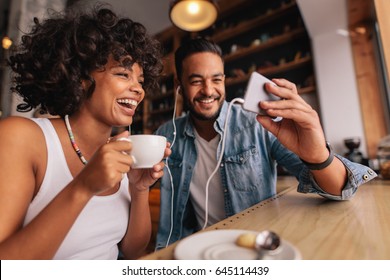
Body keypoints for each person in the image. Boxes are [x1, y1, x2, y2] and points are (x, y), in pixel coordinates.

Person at [154, 37, 377, 249]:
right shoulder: (166, 135)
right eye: (196, 81)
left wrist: (318, 155)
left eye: (216, 79)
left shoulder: (258, 123)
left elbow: (339, 190)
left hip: (254, 247)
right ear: (179, 85)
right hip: (195, 249)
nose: (209, 90)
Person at [0, 4, 170, 260]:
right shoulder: (22, 138)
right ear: (81, 78)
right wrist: (83, 186)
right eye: (123, 74)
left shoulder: (120, 152)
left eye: (141, 81)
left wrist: (138, 188)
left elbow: (132, 250)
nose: (138, 89)